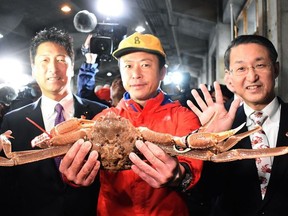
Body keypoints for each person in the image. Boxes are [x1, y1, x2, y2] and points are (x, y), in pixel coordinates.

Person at [59, 32, 203, 216]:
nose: (136, 74)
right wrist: (73, 176)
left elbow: (192, 169)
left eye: (145, 65)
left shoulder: (184, 117)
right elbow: (83, 165)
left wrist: (179, 176)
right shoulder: (103, 119)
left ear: (162, 72)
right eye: (128, 66)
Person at [0, 27, 107, 216]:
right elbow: (7, 186)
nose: (53, 68)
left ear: (72, 65)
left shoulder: (101, 114)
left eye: (60, 59)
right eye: (44, 60)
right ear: (33, 68)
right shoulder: (13, 121)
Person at [189, 35, 288, 216]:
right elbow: (202, 195)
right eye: (241, 68)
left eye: (260, 65)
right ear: (229, 78)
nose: (252, 76)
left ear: (276, 69)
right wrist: (210, 145)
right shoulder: (215, 126)